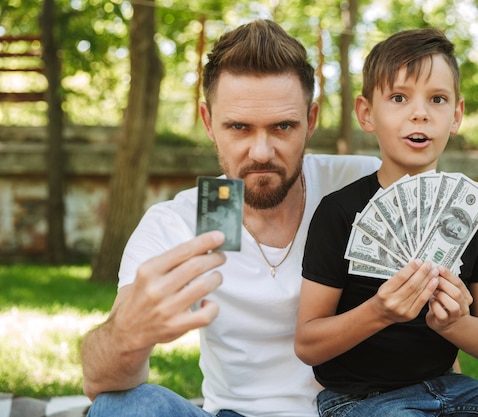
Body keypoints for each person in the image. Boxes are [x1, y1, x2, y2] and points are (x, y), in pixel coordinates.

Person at [80, 19, 381, 417]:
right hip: (235, 414)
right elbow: (97, 383)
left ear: (310, 120)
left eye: (283, 127)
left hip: (351, 410)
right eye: (239, 127)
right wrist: (128, 333)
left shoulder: (362, 184)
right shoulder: (178, 223)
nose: (260, 152)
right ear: (208, 122)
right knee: (126, 406)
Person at [294, 28, 478, 417]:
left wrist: (454, 323)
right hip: (358, 400)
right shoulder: (339, 211)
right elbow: (308, 344)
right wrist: (380, 311)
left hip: (450, 388)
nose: (419, 113)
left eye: (437, 99)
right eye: (399, 97)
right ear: (366, 113)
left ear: (456, 115)